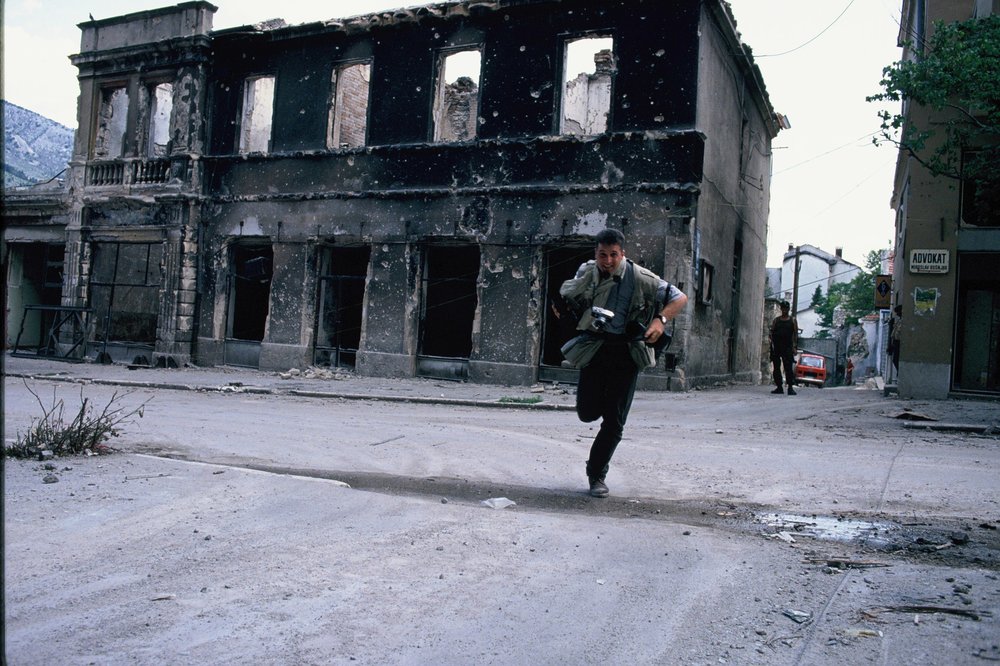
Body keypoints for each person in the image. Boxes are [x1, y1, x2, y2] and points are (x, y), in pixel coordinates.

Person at [559, 229, 688, 498]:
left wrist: (660, 320)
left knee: (614, 422)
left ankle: (596, 474)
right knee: (586, 412)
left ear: (623, 254)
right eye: (602, 255)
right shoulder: (586, 271)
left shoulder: (641, 278)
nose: (608, 261)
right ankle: (599, 408)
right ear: (595, 254)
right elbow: (569, 296)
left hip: (626, 352)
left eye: (613, 255)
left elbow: (679, 298)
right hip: (595, 348)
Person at [769, 300, 798, 395]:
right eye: (783, 308)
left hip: (788, 347)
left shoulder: (792, 320)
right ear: (781, 309)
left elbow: (795, 335)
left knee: (788, 367)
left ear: (788, 309)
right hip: (777, 346)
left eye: (786, 308)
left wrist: (794, 347)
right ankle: (779, 386)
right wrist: (772, 345)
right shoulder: (776, 320)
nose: (784, 310)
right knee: (776, 367)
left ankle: (790, 387)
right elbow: (772, 332)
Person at [889, 305, 902, 373]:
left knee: (896, 360)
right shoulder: (899, 320)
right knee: (895, 360)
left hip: (900, 342)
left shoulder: (903, 321)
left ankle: (899, 373)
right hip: (896, 341)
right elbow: (894, 333)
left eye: (898, 312)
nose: (897, 314)